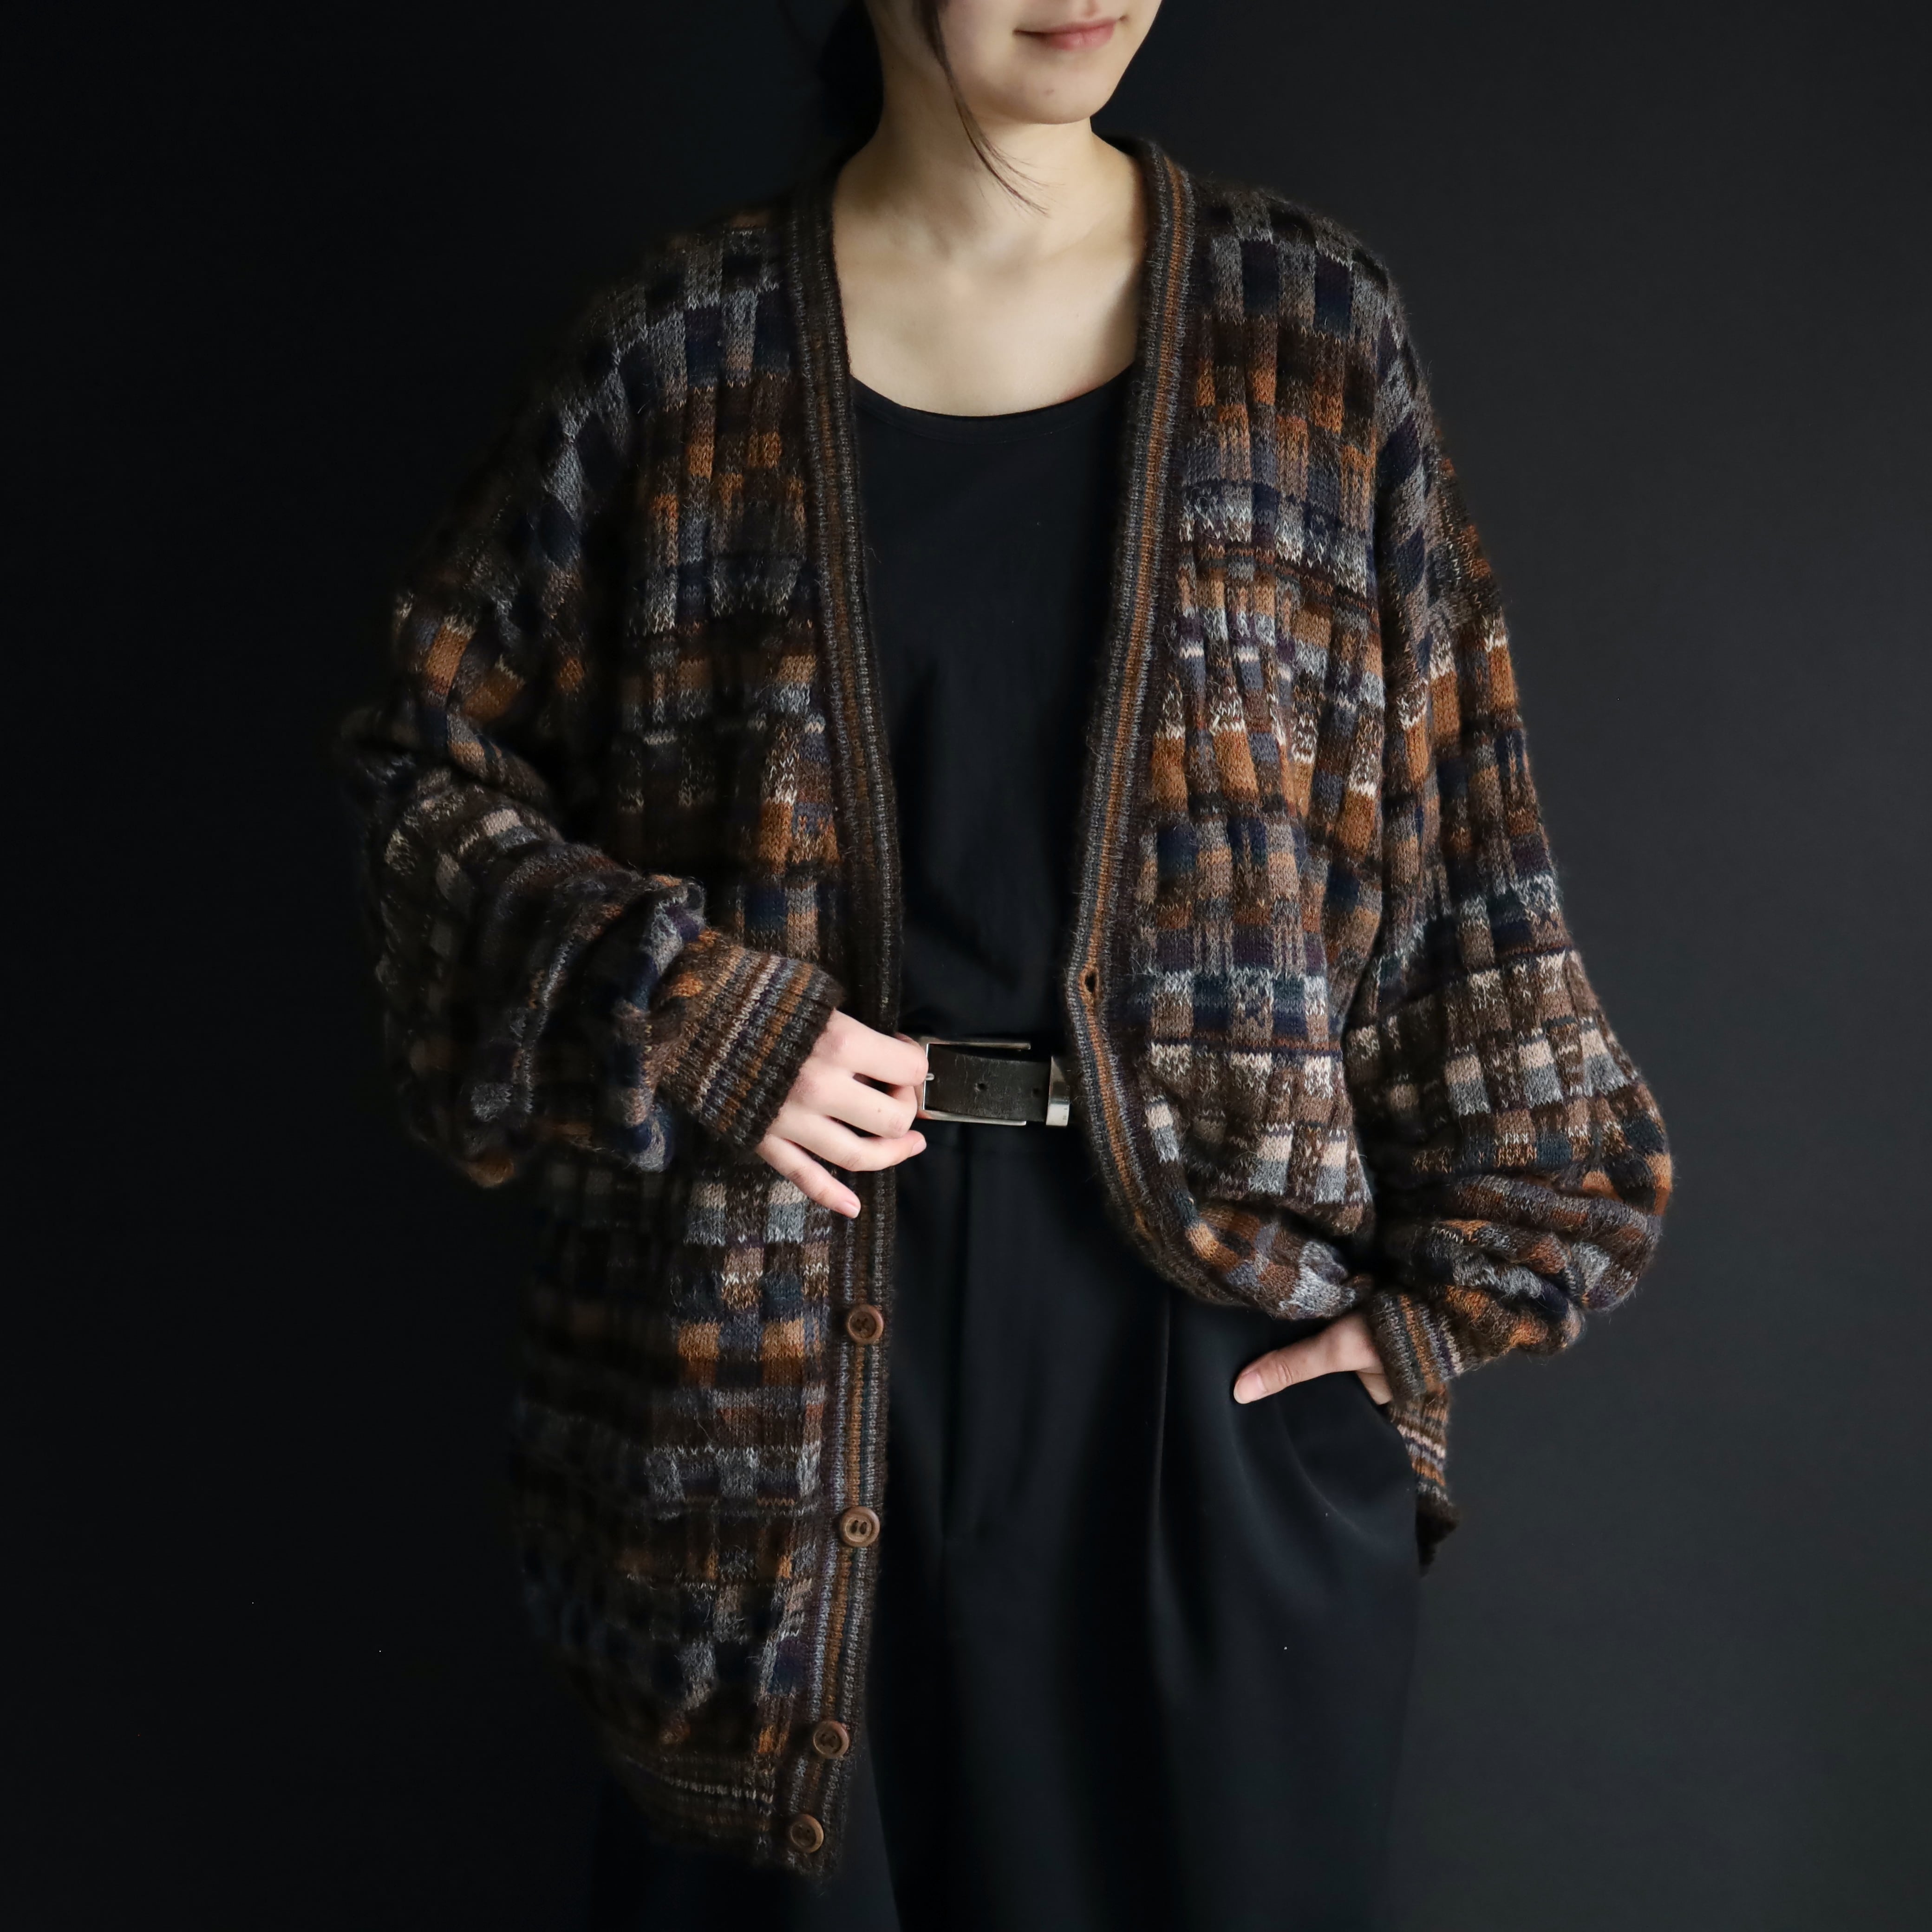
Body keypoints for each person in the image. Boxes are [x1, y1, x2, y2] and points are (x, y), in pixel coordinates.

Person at [338, 3, 1672, 1926]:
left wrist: (1440, 1307)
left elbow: (1457, 836)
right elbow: (419, 783)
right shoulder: (673, 353)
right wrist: (689, 1012)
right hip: (761, 1371)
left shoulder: (1309, 333)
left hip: (1199, 1379)